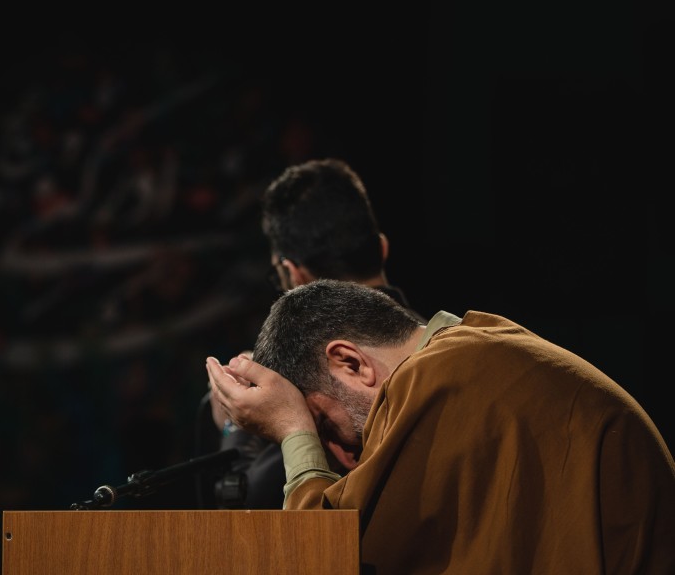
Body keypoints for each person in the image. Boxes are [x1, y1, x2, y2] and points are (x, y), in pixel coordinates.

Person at [207, 279, 675, 573]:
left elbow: (318, 554)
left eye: (326, 427)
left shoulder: (436, 379)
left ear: (351, 363)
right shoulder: (484, 344)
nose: (345, 458)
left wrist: (293, 430)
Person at [198, 158, 423, 509]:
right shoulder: (442, 344)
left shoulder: (312, 379)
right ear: (381, 247)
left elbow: (253, 512)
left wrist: (236, 424)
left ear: (295, 276)